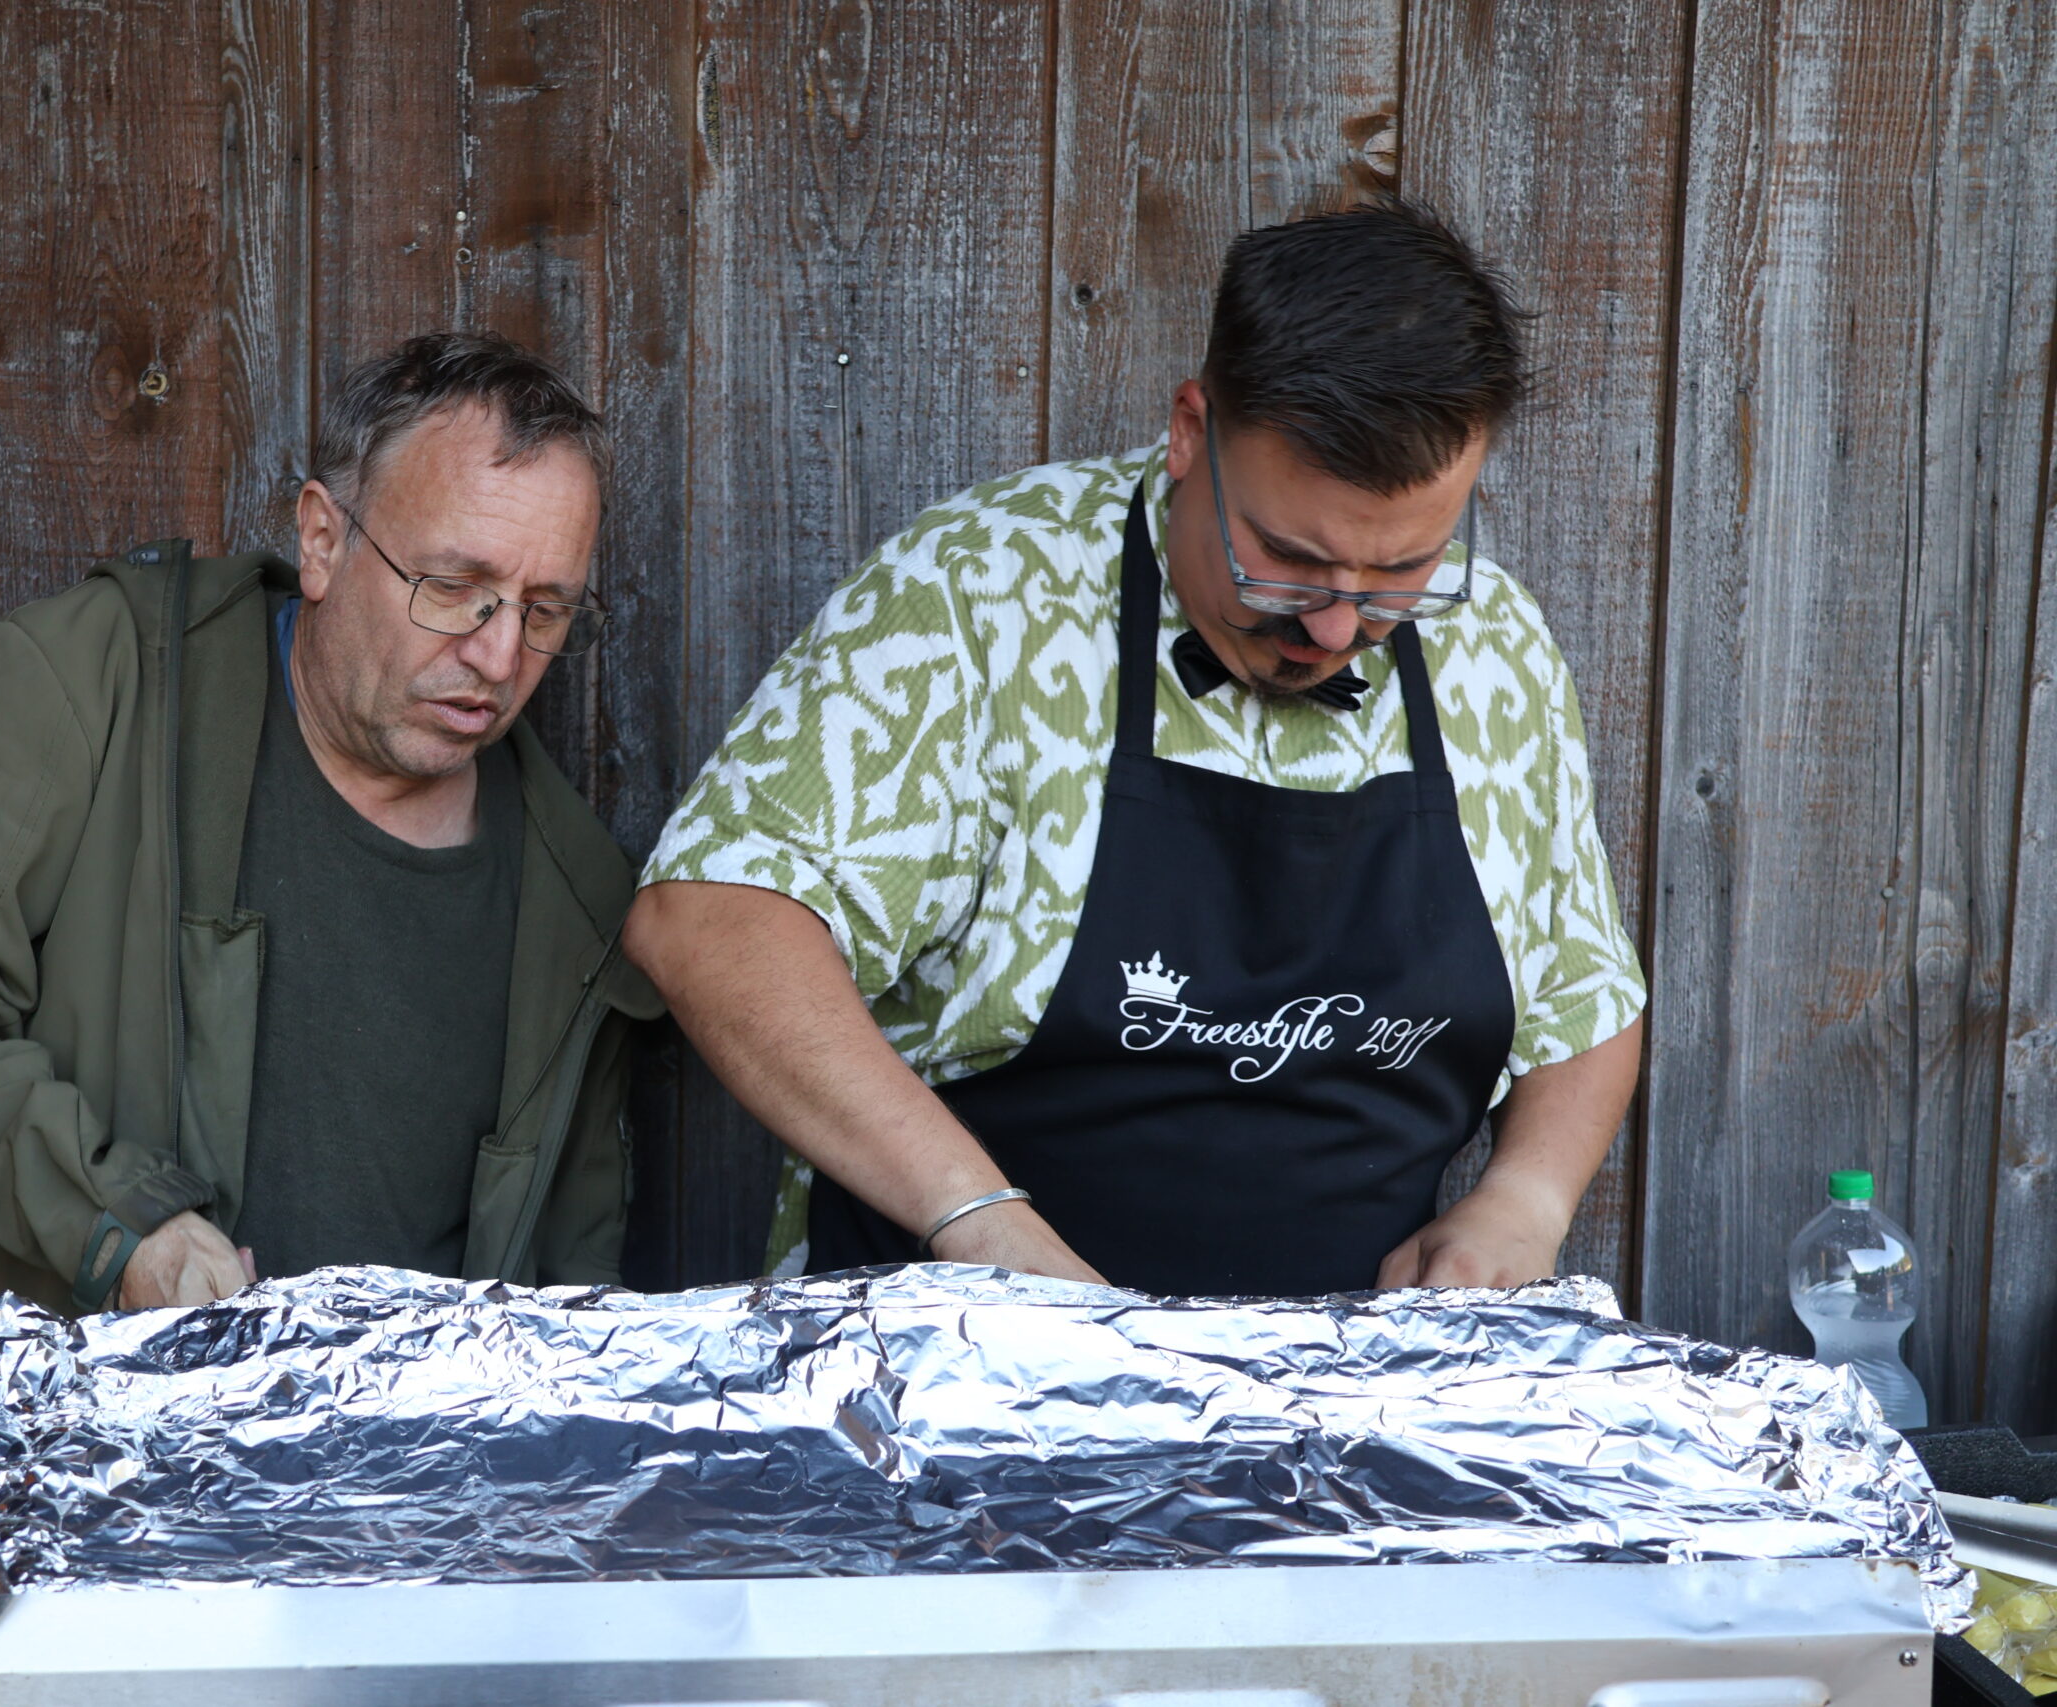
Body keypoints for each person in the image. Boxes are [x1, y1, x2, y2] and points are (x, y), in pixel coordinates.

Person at [0, 332, 659, 1700]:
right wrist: (118, 1226)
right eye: (454, 586)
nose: (497, 652)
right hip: (53, 1605)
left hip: (395, 1637)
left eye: (546, 610)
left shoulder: (578, 899)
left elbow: (566, 1312)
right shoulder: (88, 683)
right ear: (322, 537)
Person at [627, 196, 1645, 1298]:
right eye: (1285, 560)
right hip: (966, 1351)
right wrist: (983, 1229)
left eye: (1401, 570)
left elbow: (1584, 993)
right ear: (1191, 432)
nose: (1333, 627)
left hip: (1345, 1381)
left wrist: (1525, 1199)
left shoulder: (1494, 645)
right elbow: (712, 918)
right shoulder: (981, 590)